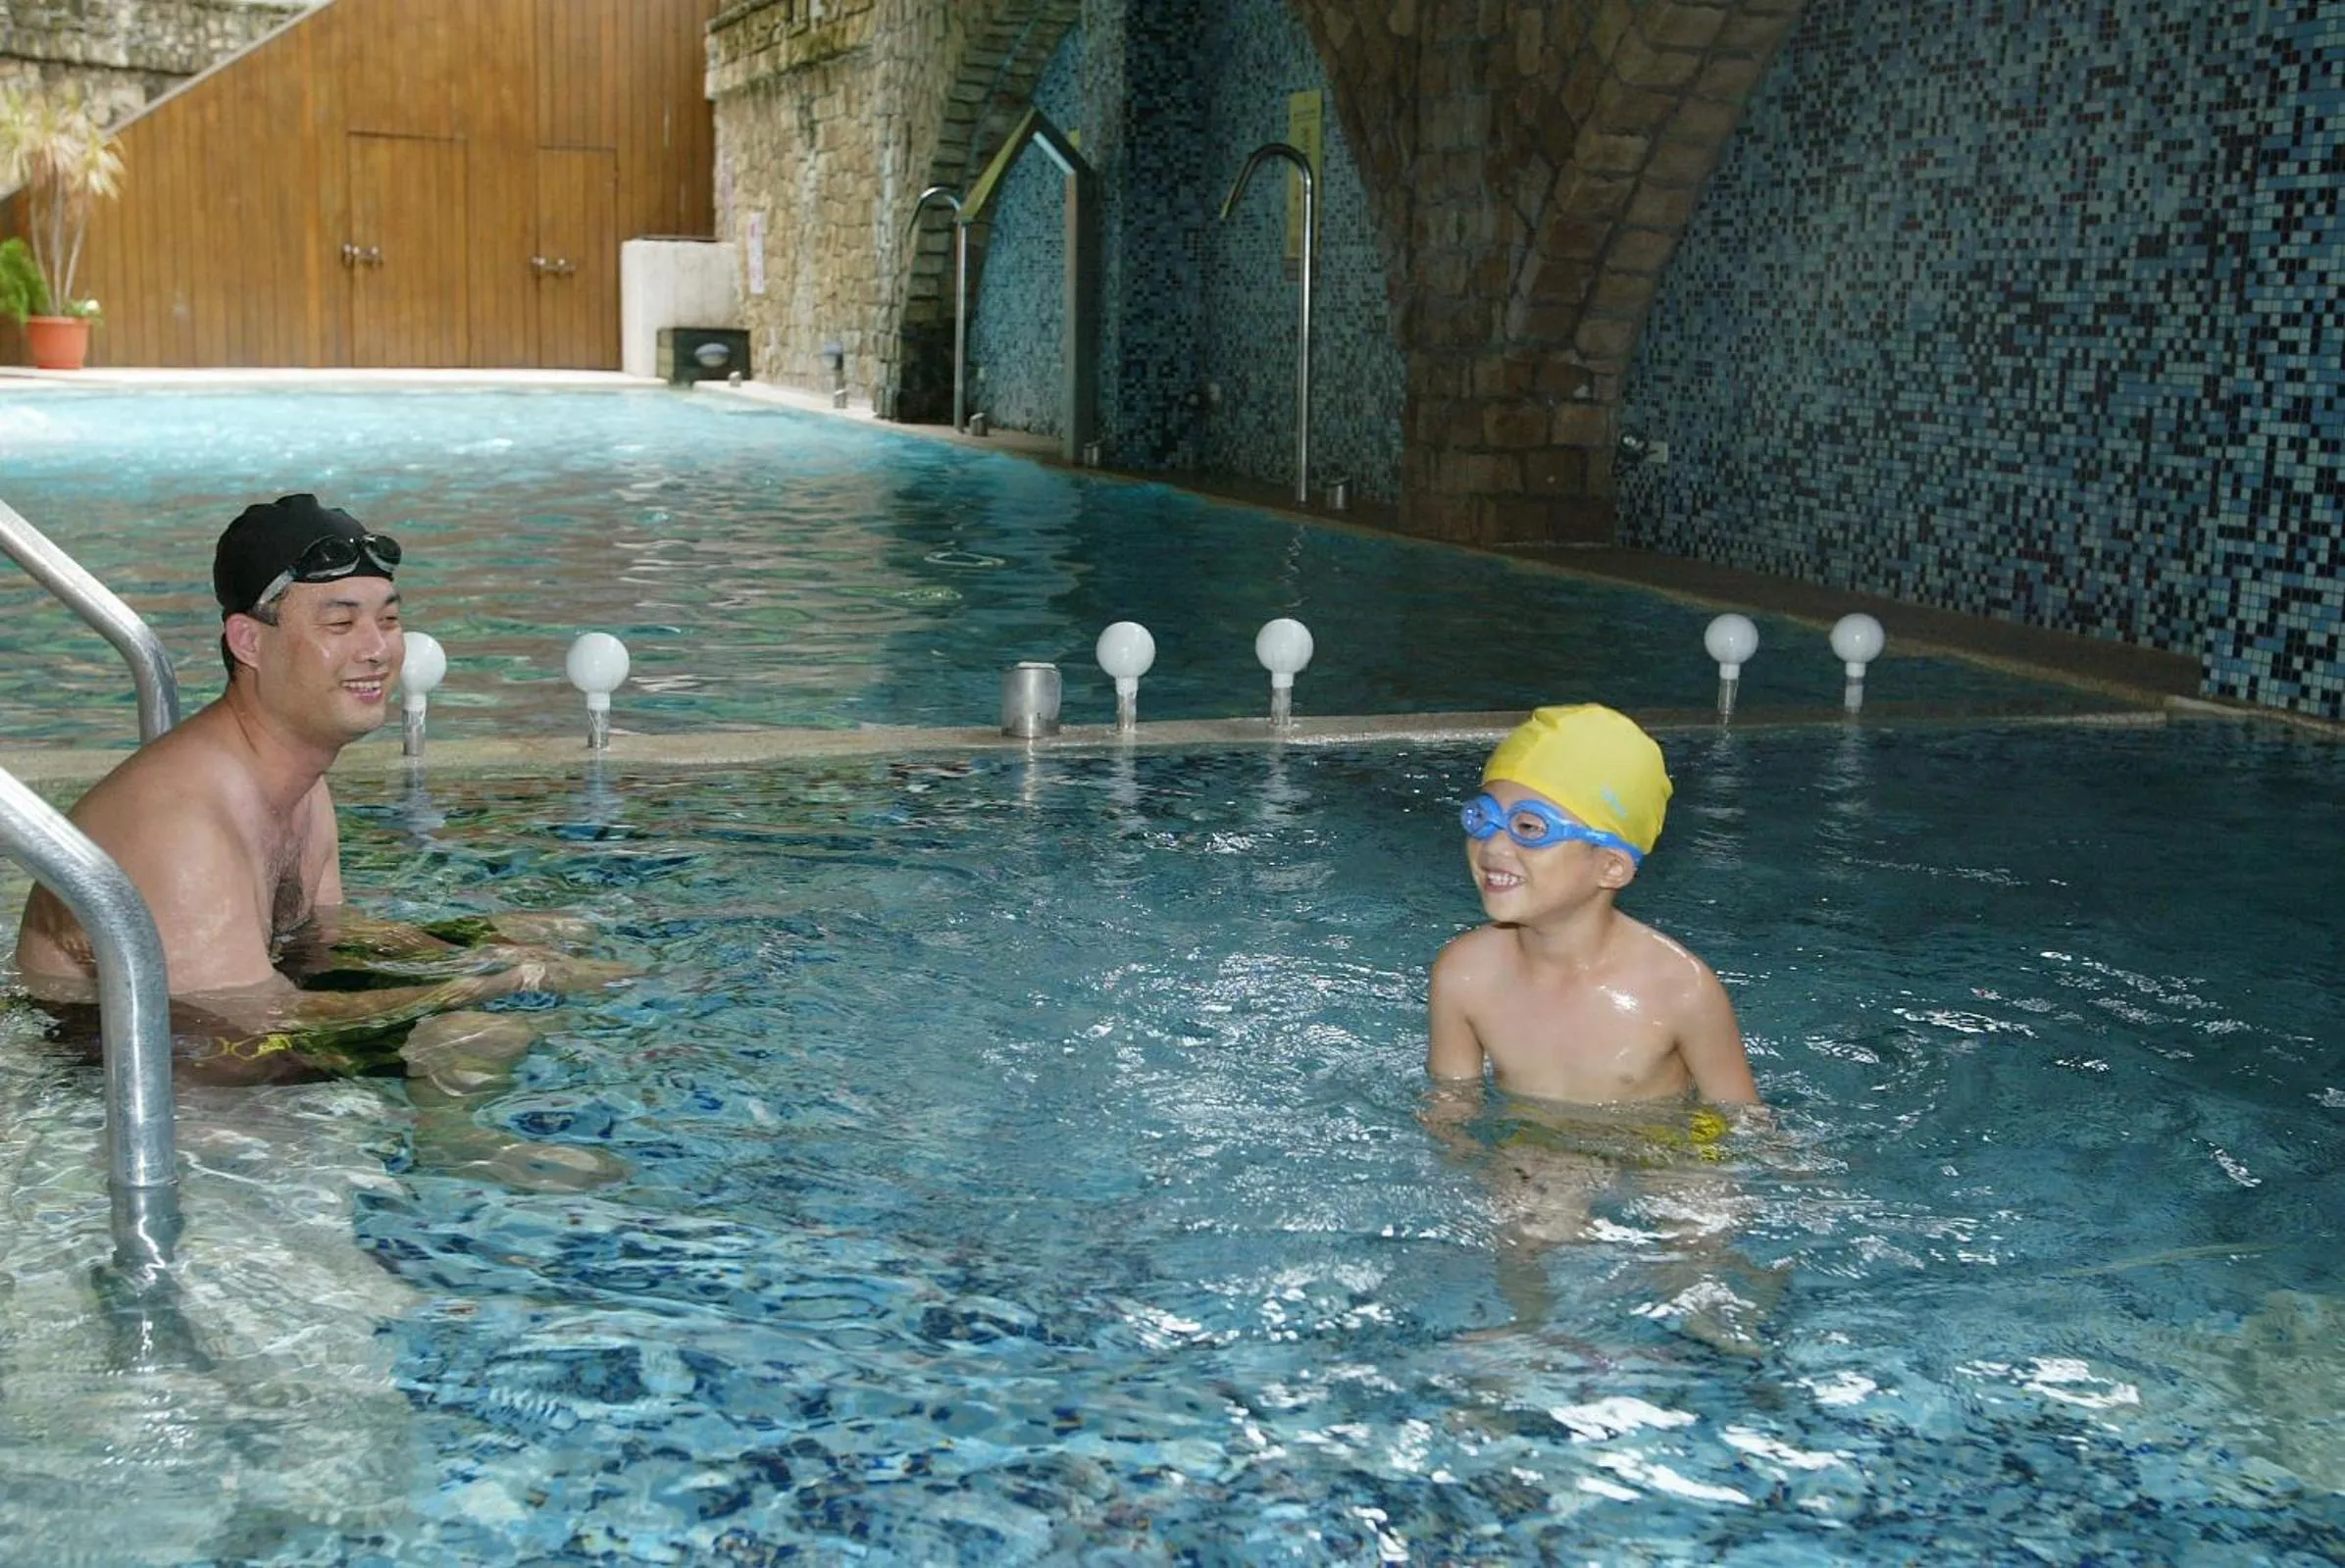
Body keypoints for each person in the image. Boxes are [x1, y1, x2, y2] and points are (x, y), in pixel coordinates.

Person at [11, 494, 629, 1180]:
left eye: (388, 620)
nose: (377, 649)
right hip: (133, 1070)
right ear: (249, 642)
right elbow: (243, 1018)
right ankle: (452, 1154)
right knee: (475, 1029)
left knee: (519, 973)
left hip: (227, 1013)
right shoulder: (184, 820)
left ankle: (449, 1137)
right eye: (340, 622)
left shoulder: (294, 772)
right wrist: (478, 986)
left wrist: (480, 945)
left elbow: (320, 935)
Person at [1423, 703, 1774, 1352]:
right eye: (1482, 818)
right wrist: (1469, 1165)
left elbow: (1740, 1115)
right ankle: (1528, 1336)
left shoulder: (1679, 987)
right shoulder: (1464, 973)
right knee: (1526, 1220)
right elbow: (1452, 1102)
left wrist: (1773, 1173)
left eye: (1529, 827)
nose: (1493, 846)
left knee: (1702, 1220)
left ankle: (1727, 1345)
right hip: (1542, 1141)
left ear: (1611, 865)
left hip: (1669, 1143)